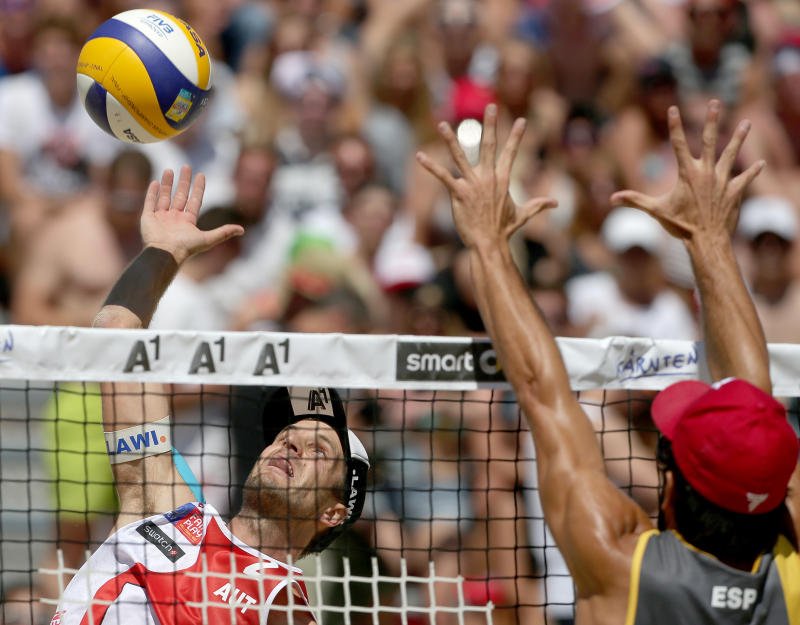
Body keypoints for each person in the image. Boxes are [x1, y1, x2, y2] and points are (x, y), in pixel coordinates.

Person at [417, 100, 800, 623]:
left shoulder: (622, 567)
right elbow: (752, 402)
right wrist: (709, 237)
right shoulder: (791, 573)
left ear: (671, 490)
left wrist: (486, 243)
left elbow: (541, 391)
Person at [50, 166, 371, 625]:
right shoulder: (163, 506)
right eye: (287, 436)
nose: (290, 445)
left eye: (319, 450)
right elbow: (116, 333)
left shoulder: (284, 607)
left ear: (333, 512)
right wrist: (164, 253)